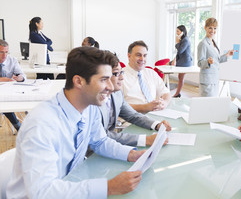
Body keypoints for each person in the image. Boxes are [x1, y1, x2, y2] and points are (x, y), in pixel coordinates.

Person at [7, 47, 145, 198]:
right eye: (104, 80)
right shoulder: (42, 124)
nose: (111, 87)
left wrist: (131, 154)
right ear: (79, 81)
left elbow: (99, 142)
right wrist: (108, 188)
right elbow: (42, 192)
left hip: (71, 187)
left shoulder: (90, 108)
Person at [100, 60, 171, 146]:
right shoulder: (93, 101)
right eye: (116, 74)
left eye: (121, 72)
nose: (122, 77)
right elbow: (102, 136)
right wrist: (145, 140)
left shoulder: (117, 94)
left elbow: (133, 115)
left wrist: (157, 125)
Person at [122, 40, 171, 113]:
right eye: (138, 55)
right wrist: (145, 107)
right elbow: (119, 105)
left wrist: (164, 103)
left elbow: (166, 92)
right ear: (129, 56)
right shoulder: (119, 76)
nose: (142, 59)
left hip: (155, 114)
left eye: (145, 55)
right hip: (132, 117)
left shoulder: (151, 73)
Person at [197, 18, 234, 97]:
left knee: (213, 104)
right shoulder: (203, 44)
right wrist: (207, 62)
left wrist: (226, 55)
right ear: (205, 28)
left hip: (215, 79)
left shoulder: (214, 42)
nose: (212, 30)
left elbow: (216, 60)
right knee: (207, 104)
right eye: (210, 27)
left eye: (215, 28)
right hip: (207, 81)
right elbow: (200, 63)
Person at [0, 40, 25, 131]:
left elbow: (22, 75)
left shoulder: (12, 60)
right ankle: (19, 127)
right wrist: (4, 79)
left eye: (6, 52)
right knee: (4, 103)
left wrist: (20, 78)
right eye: (1, 52)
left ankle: (21, 127)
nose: (4, 55)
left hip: (9, 91)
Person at [171, 25, 192, 98]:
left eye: (178, 31)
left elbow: (180, 50)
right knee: (180, 77)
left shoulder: (185, 40)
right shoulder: (182, 40)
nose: (176, 33)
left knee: (181, 77)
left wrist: (177, 42)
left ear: (182, 32)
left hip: (185, 62)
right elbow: (179, 53)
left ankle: (177, 94)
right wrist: (174, 59)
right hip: (182, 60)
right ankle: (177, 93)